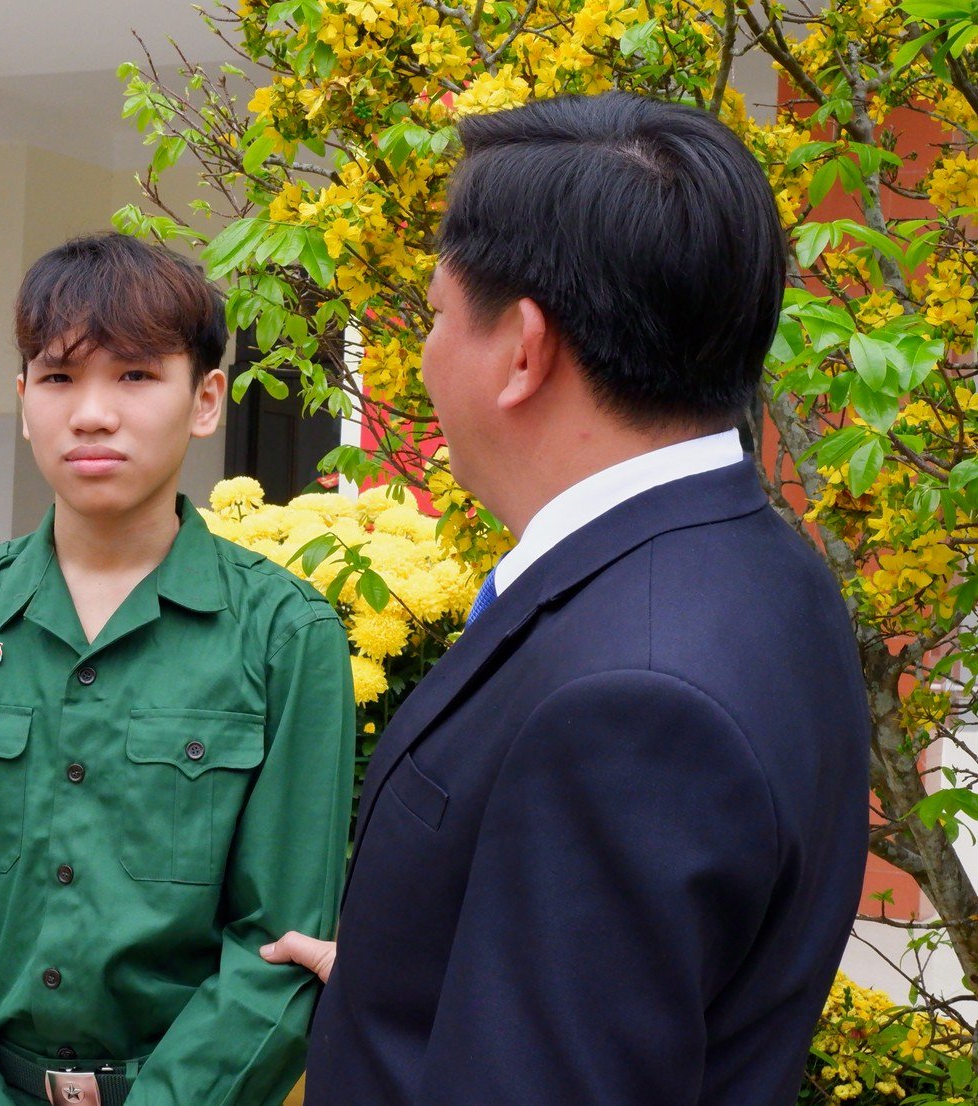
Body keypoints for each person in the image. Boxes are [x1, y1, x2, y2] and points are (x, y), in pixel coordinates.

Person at [268, 92, 869, 1105]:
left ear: (521, 352)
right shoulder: (764, 569)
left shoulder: (630, 704)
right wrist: (396, 986)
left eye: (432, 314)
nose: (422, 354)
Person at [0, 232, 357, 1106]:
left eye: (134, 375)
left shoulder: (283, 634)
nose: (91, 413)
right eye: (58, 377)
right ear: (22, 400)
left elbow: (282, 939)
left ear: (205, 400)